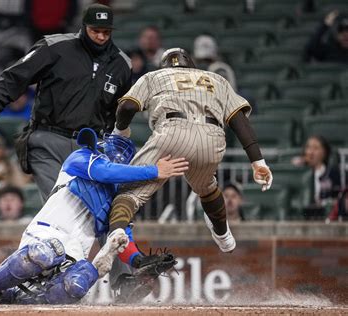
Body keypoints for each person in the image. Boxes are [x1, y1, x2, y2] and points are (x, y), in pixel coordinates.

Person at [95, 48, 274, 274]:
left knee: (128, 194)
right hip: (212, 137)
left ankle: (117, 232)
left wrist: (120, 132)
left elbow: (128, 106)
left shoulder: (155, 76)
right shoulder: (216, 79)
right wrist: (257, 161)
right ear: (191, 65)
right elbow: (238, 119)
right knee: (207, 187)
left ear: (165, 66)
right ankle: (223, 235)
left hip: (171, 133)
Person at [0, 129, 184, 305]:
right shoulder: (81, 158)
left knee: (76, 286)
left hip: (75, 252)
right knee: (44, 253)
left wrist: (140, 263)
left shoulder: (119, 199)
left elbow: (122, 238)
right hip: (46, 233)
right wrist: (154, 171)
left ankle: (14, 299)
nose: (104, 154)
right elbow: (104, 172)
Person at [0, 3, 132, 201]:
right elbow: (15, 76)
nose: (101, 36)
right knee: (58, 203)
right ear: (83, 27)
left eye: (106, 32)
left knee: (85, 210)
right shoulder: (55, 47)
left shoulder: (121, 64)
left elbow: (118, 110)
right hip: (48, 140)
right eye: (95, 30)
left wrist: (114, 138)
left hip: (89, 145)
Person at [292, 135, 341, 218]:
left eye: (316, 148)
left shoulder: (333, 173)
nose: (311, 152)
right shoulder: (299, 172)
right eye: (308, 148)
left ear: (325, 152)